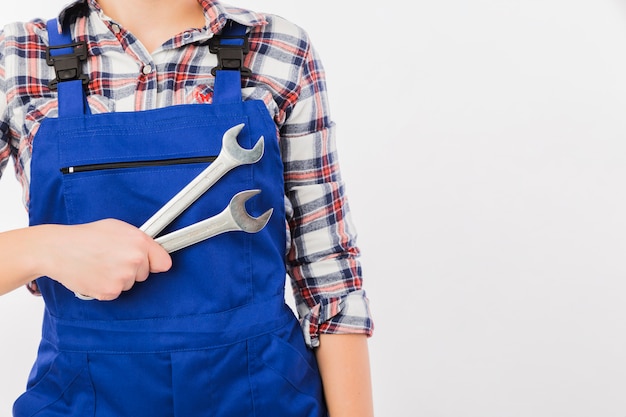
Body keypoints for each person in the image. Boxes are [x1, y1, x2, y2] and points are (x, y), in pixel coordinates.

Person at [0, 0, 374, 416]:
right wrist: (42, 248)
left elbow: (328, 274)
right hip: (82, 396)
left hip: (261, 393)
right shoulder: (17, 55)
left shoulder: (278, 48)